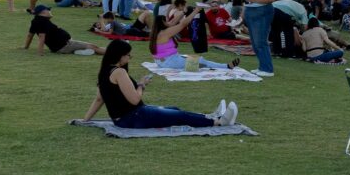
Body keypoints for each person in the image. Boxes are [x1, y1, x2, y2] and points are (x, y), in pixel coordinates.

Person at [82, 40, 239, 128]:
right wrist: (141, 85)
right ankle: (218, 122)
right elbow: (135, 100)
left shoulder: (104, 71)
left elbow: (99, 99)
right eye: (129, 55)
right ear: (120, 56)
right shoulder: (119, 72)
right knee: (179, 116)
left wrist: (85, 120)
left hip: (126, 118)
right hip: (133, 117)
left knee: (175, 110)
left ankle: (210, 116)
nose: (130, 57)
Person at [150, 4, 240, 70]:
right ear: (162, 23)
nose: (169, 22)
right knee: (201, 61)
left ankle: (197, 65)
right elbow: (182, 24)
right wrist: (195, 11)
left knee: (196, 60)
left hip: (164, 61)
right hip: (169, 62)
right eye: (166, 21)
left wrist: (184, 12)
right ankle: (227, 66)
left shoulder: (158, 32)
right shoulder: (166, 32)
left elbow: (173, 22)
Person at [24, 5, 105, 56]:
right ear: (42, 13)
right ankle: (114, 55)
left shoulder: (36, 20)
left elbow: (30, 35)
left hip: (63, 45)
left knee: (92, 47)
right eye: (48, 10)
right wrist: (40, 53)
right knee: (94, 47)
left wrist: (26, 47)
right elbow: (42, 37)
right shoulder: (42, 22)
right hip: (65, 45)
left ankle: (79, 51)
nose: (50, 11)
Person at [242, 0, 276, 77]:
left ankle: (267, 69)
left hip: (262, 13)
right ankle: (262, 66)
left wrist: (255, 0)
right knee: (255, 42)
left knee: (260, 41)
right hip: (251, 12)